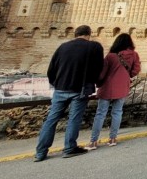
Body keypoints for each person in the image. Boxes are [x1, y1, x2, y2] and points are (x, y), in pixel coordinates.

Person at [34, 25, 104, 161]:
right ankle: (69, 148)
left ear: (75, 34)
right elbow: (98, 68)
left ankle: (40, 152)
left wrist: (57, 84)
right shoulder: (95, 47)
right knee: (74, 119)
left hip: (60, 88)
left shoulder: (63, 47)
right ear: (89, 34)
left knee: (51, 119)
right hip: (80, 89)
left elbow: (52, 69)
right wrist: (94, 82)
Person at [87, 32, 141, 149]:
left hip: (107, 87)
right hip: (122, 87)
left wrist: (98, 82)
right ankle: (112, 139)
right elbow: (136, 70)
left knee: (100, 114)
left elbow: (102, 73)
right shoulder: (134, 55)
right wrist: (127, 75)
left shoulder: (111, 56)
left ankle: (93, 141)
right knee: (117, 113)